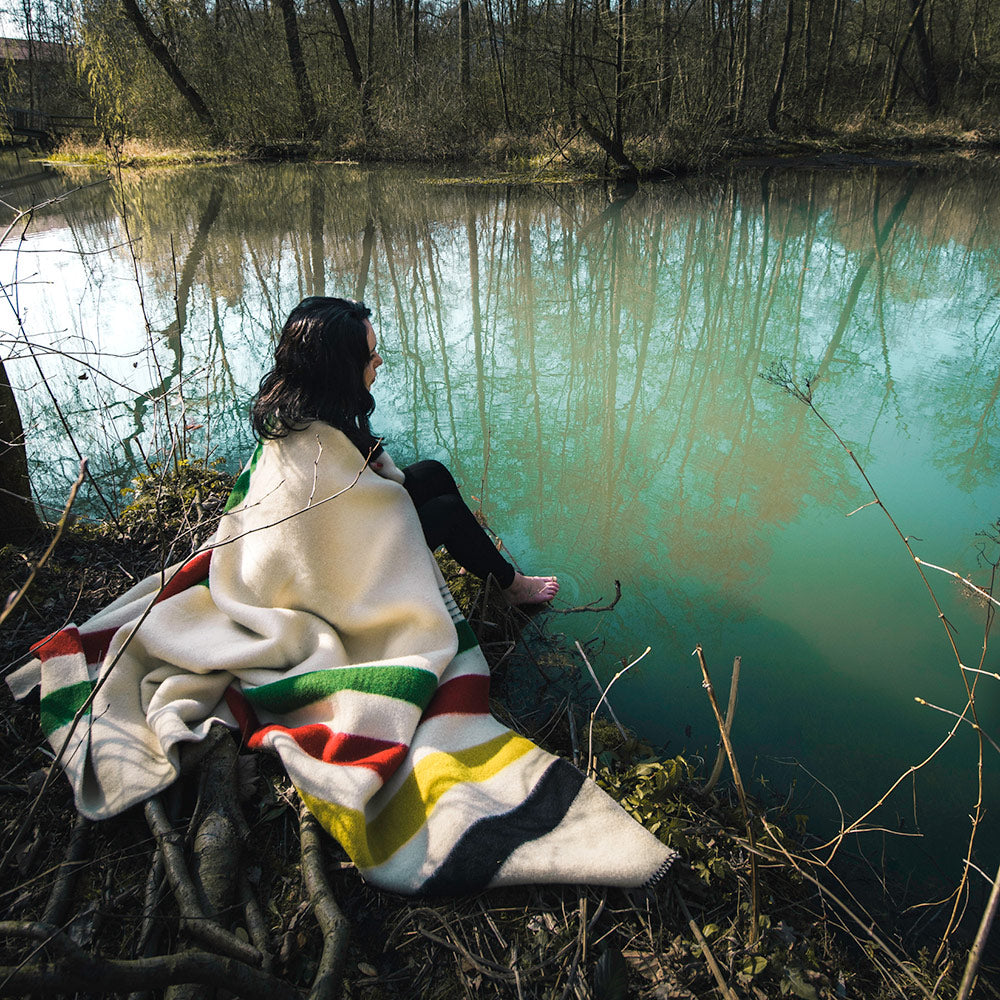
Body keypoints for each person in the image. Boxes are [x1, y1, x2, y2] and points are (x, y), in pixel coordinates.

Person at [251, 295, 559, 606]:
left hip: (346, 537)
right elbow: (342, 531)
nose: (379, 361)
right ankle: (512, 587)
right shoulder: (319, 445)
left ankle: (475, 555)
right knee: (448, 512)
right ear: (339, 369)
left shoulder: (298, 407)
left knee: (432, 473)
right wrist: (389, 482)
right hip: (340, 578)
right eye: (370, 355)